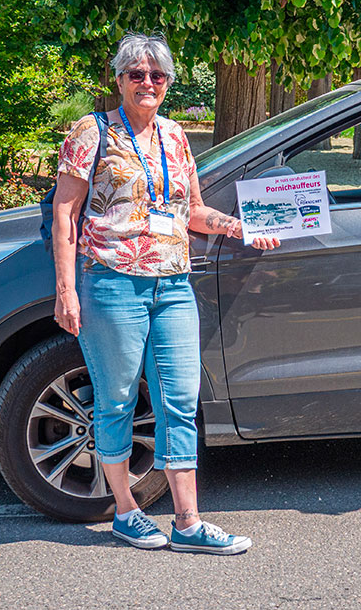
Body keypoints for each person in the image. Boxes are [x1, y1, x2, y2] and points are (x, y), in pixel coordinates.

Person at [51, 32, 279, 554]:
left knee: (179, 400)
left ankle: (188, 523)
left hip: (174, 283)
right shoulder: (93, 132)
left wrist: (239, 228)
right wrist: (67, 289)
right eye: (137, 74)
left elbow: (191, 210)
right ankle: (126, 513)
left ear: (169, 82)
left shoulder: (176, 136)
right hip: (111, 282)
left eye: (157, 75)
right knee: (117, 401)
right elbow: (66, 211)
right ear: (119, 80)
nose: (148, 83)